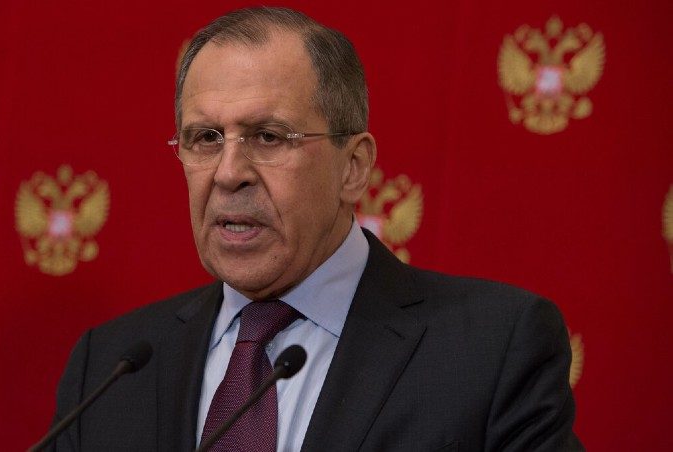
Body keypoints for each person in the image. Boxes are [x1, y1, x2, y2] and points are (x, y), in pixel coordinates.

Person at [49, 7, 582, 451]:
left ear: (353, 167)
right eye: (206, 138)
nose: (228, 173)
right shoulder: (110, 367)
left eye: (268, 136)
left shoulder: (491, 350)